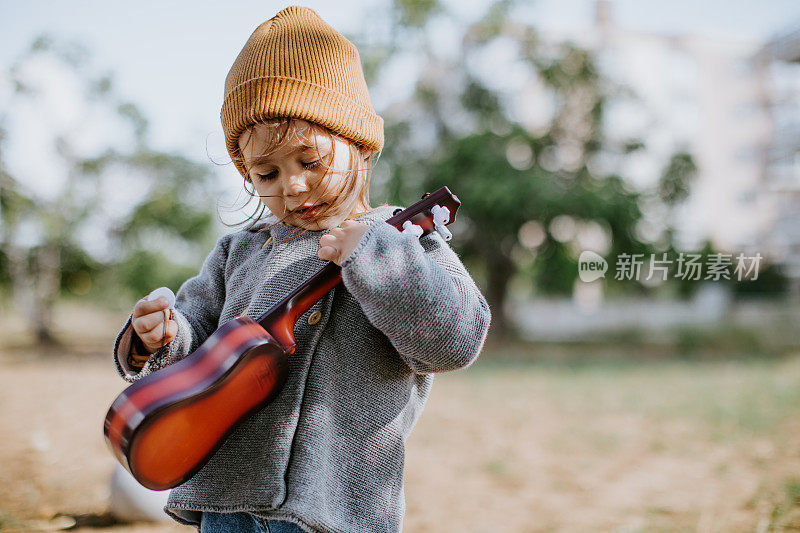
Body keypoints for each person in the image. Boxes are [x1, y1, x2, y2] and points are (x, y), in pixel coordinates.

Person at [111, 5, 491, 533]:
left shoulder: (406, 240)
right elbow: (198, 346)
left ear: (358, 142)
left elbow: (454, 340)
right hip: (228, 504)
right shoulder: (238, 253)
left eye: (309, 161)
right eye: (267, 171)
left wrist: (377, 259)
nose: (291, 186)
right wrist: (159, 337)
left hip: (336, 511)